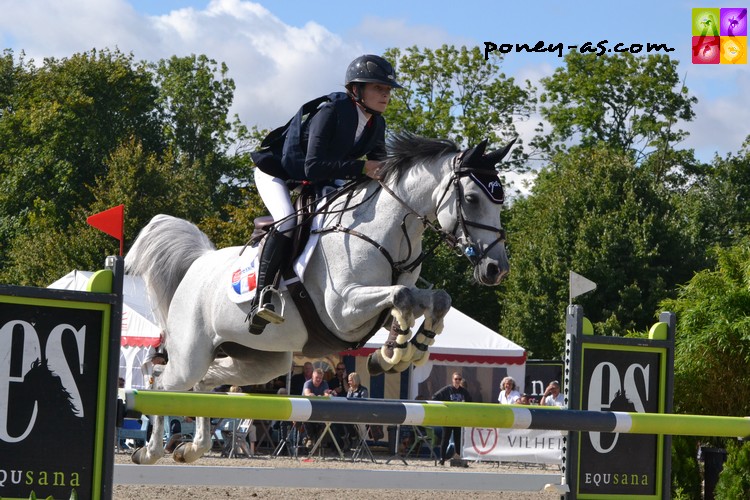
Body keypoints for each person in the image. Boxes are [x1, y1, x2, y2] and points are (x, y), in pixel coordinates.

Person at [248, 54, 402, 334]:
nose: (386, 95)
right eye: (379, 88)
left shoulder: (376, 124)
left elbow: (380, 169)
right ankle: (262, 296)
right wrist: (362, 166)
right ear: (356, 90)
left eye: (388, 90)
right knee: (287, 221)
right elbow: (313, 165)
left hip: (314, 180)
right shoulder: (331, 111)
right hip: (278, 173)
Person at [432, 372, 472, 465]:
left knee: (458, 440)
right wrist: (443, 407)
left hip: (458, 419)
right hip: (448, 418)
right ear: (452, 380)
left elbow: (470, 401)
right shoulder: (447, 389)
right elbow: (435, 397)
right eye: (456, 379)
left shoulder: (464, 391)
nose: (457, 381)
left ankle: (458, 458)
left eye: (459, 379)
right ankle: (442, 459)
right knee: (445, 439)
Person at [302, 368, 332, 447]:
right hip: (306, 409)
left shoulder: (324, 383)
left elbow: (326, 395)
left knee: (325, 421)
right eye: (316, 377)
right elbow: (307, 393)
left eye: (320, 378)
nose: (318, 379)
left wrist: (321, 396)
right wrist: (313, 395)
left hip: (318, 411)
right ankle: (310, 438)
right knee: (307, 419)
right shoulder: (308, 383)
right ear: (312, 377)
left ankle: (314, 439)